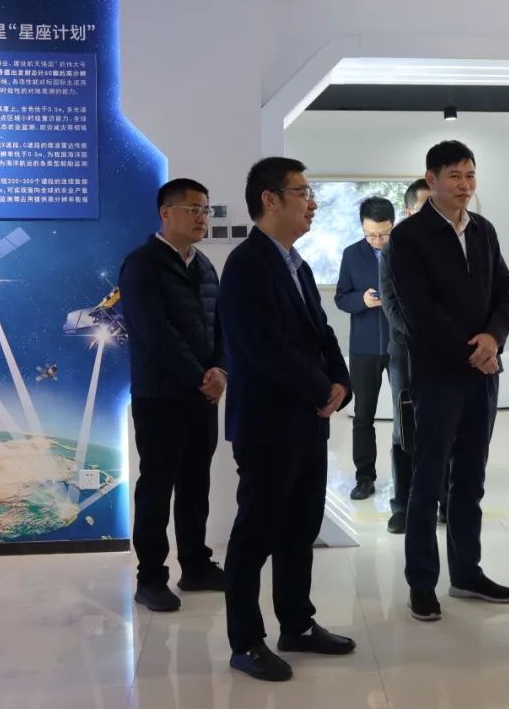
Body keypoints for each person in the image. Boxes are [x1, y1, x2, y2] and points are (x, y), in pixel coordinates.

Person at [219, 157, 356, 682]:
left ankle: (296, 624)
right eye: (301, 192)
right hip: (268, 424)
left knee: (300, 529)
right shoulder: (247, 264)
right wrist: (321, 388)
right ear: (270, 200)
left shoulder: (296, 263)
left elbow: (322, 332)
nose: (311, 202)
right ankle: (245, 641)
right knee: (255, 535)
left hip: (307, 421)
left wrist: (340, 382)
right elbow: (264, 349)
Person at [387, 141, 509, 621]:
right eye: (455, 176)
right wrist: (473, 352)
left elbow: (505, 294)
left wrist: (493, 339)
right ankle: (422, 582)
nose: (465, 185)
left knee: (471, 478)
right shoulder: (409, 237)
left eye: (470, 175)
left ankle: (466, 573)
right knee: (428, 480)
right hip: (438, 376)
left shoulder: (483, 230)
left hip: (483, 375)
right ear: (432, 180)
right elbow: (418, 311)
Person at [119, 178, 226, 613]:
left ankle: (196, 565)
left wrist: (220, 370)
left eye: (205, 209)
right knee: (157, 486)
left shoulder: (205, 267)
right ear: (166, 213)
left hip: (203, 397)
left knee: (196, 484)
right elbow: (154, 333)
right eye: (193, 209)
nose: (202, 217)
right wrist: (200, 376)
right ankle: (150, 578)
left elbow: (220, 326)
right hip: (160, 396)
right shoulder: (141, 265)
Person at [379, 178, 448, 533]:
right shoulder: (393, 248)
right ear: (408, 212)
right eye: (425, 206)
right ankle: (402, 506)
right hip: (406, 351)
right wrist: (424, 336)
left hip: (445, 352)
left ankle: (445, 501)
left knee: (445, 426)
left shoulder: (450, 245)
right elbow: (390, 303)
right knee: (404, 428)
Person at [334, 197, 394, 500]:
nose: (378, 241)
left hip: (401, 346)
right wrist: (362, 300)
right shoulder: (351, 254)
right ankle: (365, 477)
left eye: (384, 234)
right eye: (371, 235)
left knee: (408, 413)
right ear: (362, 227)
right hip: (364, 347)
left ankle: (409, 478)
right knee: (363, 415)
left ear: (393, 225)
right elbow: (341, 298)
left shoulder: (406, 252)